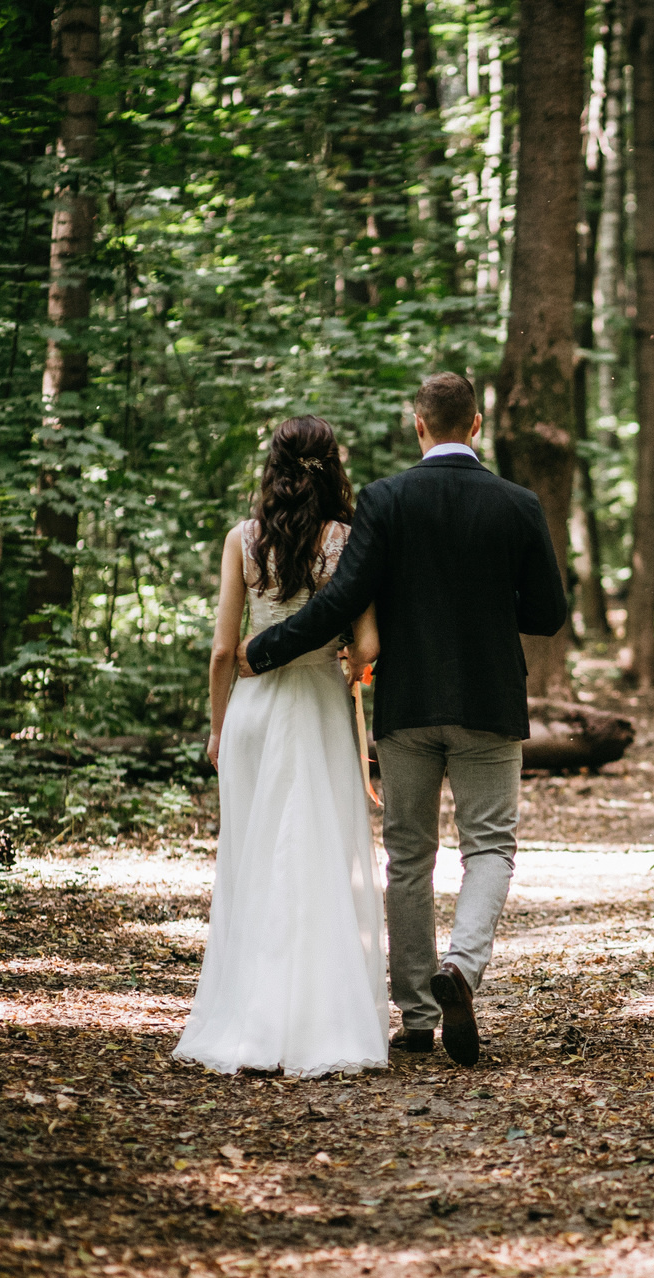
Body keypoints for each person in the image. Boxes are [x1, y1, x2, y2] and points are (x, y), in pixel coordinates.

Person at [237, 373, 569, 1067]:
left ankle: (418, 1016)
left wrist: (265, 648)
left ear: (419, 425)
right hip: (488, 702)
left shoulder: (386, 501)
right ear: (476, 425)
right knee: (489, 849)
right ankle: (462, 968)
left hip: (408, 704)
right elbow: (546, 614)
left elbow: (342, 601)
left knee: (409, 857)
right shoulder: (518, 504)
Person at [177, 416, 389, 1078]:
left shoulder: (242, 540)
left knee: (254, 859)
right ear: (332, 468)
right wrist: (351, 665)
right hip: (319, 704)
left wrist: (217, 729)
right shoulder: (344, 542)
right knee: (320, 855)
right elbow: (371, 646)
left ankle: (250, 1016)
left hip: (254, 712)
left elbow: (221, 650)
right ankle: (320, 1019)